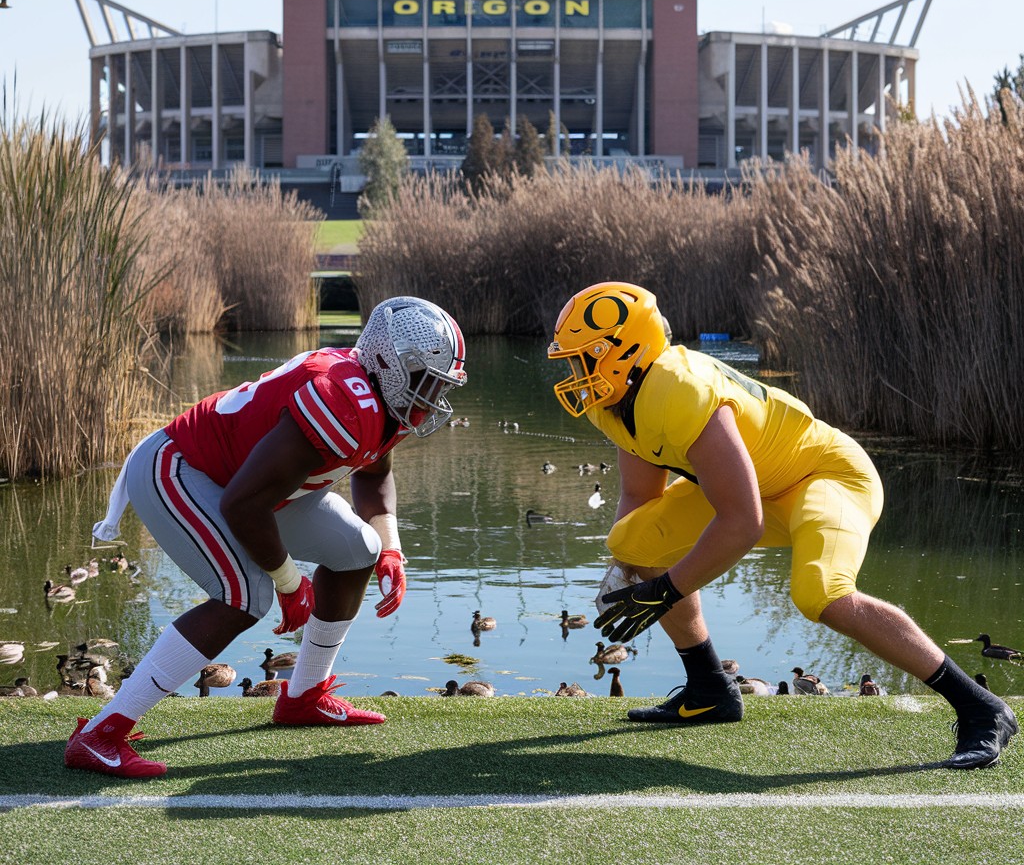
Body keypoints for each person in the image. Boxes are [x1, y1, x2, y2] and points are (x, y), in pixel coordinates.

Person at [547, 281, 1017, 769]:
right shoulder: (615, 402)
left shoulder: (678, 389)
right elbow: (642, 497)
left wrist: (665, 590)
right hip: (758, 492)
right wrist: (629, 573)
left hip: (823, 476)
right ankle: (709, 688)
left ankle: (982, 707)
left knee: (822, 593)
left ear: (625, 352)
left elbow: (742, 523)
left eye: (583, 359)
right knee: (631, 538)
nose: (574, 374)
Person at [65, 296, 467, 779]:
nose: (432, 397)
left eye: (438, 385)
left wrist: (392, 548)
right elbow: (242, 504)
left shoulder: (382, 395)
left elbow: (373, 472)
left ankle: (303, 697)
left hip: (251, 485)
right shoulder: (342, 399)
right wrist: (290, 582)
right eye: (426, 381)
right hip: (185, 468)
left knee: (360, 549)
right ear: (389, 362)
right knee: (243, 597)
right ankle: (102, 732)